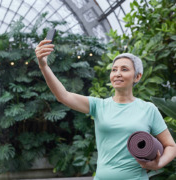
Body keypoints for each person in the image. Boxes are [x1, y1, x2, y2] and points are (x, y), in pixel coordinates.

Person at [35, 39, 176, 180]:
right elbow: (63, 96)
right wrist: (43, 66)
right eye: (114, 70)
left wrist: (158, 164)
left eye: (124, 69)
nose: (117, 73)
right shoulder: (99, 106)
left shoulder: (148, 109)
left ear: (137, 76)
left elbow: (171, 146)